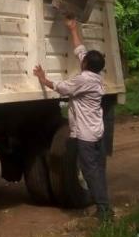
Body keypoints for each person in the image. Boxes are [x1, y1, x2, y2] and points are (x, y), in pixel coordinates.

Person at [32, 17, 112, 220]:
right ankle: (104, 205)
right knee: (97, 169)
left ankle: (103, 210)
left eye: (83, 60)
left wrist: (43, 78)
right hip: (96, 132)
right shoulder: (96, 75)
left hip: (86, 136)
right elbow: (80, 50)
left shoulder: (83, 80)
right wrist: (73, 29)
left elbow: (61, 87)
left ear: (85, 65)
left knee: (89, 171)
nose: (81, 59)